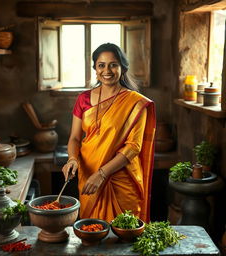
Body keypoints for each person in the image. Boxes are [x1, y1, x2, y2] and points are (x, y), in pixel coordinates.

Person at [62, 43, 156, 223]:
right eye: (101, 65)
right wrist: (72, 159)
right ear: (95, 69)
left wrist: (102, 174)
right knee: (92, 232)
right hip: (88, 175)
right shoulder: (84, 99)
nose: (107, 70)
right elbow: (74, 138)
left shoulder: (135, 103)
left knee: (124, 237)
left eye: (113, 64)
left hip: (121, 178)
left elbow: (133, 147)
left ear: (122, 67)